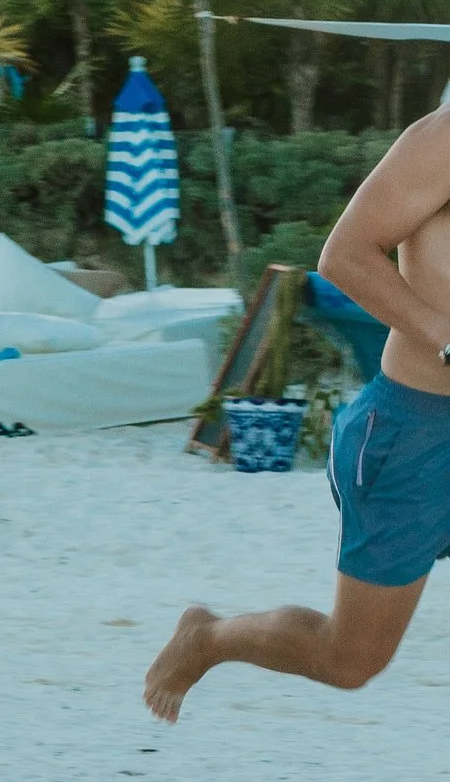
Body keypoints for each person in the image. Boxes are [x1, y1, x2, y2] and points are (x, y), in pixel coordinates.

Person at [146, 103, 450, 719]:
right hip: (416, 430)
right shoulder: (444, 139)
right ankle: (208, 638)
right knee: (351, 659)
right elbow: (345, 255)